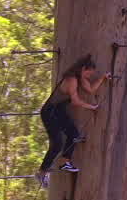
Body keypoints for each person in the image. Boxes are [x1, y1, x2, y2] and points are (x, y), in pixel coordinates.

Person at [36, 54, 109, 187]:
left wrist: (103, 78)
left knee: (74, 134)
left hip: (58, 111)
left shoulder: (80, 78)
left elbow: (91, 90)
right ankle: (41, 172)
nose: (89, 77)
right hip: (49, 111)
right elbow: (75, 101)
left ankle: (65, 162)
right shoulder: (71, 80)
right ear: (83, 69)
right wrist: (92, 107)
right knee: (57, 143)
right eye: (88, 74)